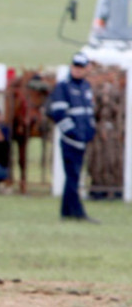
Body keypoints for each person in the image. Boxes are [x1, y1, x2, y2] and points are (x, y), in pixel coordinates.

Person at [48, 52, 97, 222]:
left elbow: (89, 112)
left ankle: (67, 212)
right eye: (75, 66)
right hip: (70, 141)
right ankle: (77, 212)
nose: (77, 70)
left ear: (86, 69)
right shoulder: (63, 87)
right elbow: (59, 114)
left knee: (73, 176)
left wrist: (90, 131)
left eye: (81, 67)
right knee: (73, 175)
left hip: (82, 140)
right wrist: (73, 134)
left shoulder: (85, 87)